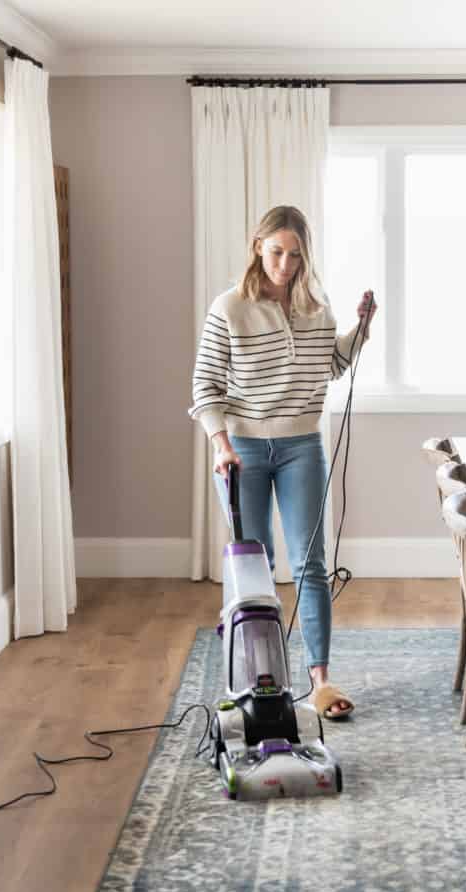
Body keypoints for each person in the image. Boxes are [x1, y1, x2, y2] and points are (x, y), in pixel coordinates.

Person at [188, 205, 377, 720]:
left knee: (310, 564)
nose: (285, 264)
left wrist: (360, 328)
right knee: (255, 567)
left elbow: (332, 367)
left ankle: (319, 679)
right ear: (257, 247)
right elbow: (205, 385)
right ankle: (254, 676)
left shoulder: (317, 307)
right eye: (276, 252)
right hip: (243, 449)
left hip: (301, 448)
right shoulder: (229, 308)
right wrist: (220, 442)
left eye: (295, 255)